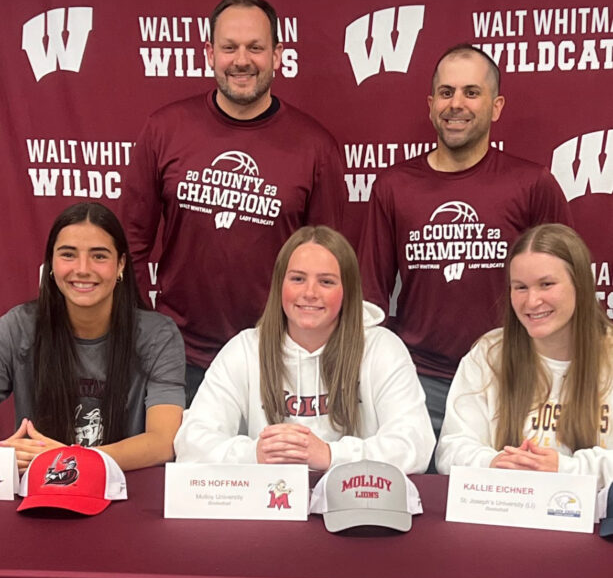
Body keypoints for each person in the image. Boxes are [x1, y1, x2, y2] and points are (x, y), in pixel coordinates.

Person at [123, 0, 345, 405]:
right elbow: (130, 243)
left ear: (278, 55)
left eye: (256, 47)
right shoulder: (164, 129)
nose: (242, 60)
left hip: (277, 355)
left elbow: (329, 261)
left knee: (276, 470)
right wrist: (147, 325)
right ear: (209, 53)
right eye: (229, 47)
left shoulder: (316, 147)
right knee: (177, 469)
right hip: (178, 355)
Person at [358, 43, 572, 439]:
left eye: (471, 92)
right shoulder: (394, 186)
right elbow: (370, 299)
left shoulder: (531, 184)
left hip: (509, 379)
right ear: (430, 104)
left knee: (504, 495)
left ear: (496, 105)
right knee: (423, 499)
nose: (456, 104)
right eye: (446, 92)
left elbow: (565, 288)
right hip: (420, 381)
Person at [174, 226, 434, 474]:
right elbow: (191, 442)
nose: (310, 293)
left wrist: (331, 455)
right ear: (279, 286)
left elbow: (415, 443)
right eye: (298, 279)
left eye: (326, 282)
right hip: (268, 507)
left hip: (355, 505)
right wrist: (256, 453)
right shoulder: (244, 349)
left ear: (348, 291)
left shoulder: (381, 349)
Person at [0, 202, 185, 474]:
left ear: (121, 264)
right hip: (37, 493)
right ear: (50, 263)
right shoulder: (18, 327)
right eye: (68, 255)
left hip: (125, 495)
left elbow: (163, 442)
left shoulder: (158, 336)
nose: (83, 269)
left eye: (99, 256)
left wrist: (68, 458)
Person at [435, 224, 613, 487]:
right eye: (520, 287)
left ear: (581, 284)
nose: (531, 302)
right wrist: (494, 463)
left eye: (546, 284)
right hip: (505, 516)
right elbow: (451, 449)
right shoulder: (488, 354)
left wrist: (563, 469)